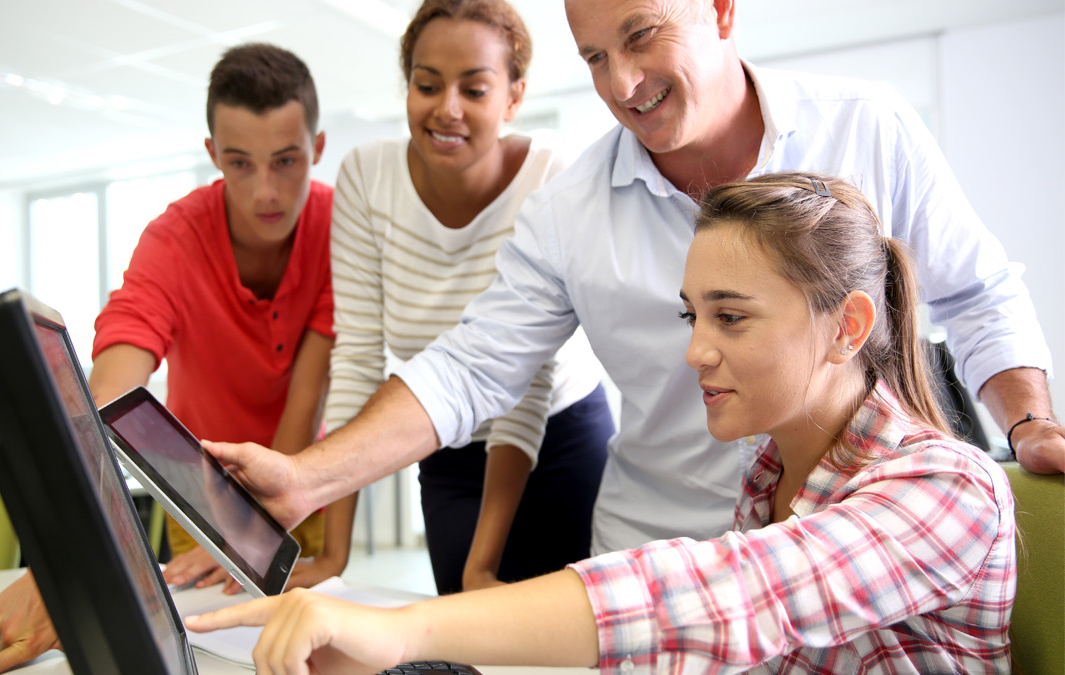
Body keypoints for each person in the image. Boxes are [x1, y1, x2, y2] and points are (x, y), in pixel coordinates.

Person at [200, 0, 1061, 559]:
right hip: (660, 551)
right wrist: (310, 476)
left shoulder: (868, 128)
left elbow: (976, 293)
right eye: (595, 58)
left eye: (642, 37)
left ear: (722, 10)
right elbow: (471, 368)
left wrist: (1028, 423)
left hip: (850, 541)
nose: (621, 85)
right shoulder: (570, 205)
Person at [186, 173, 1017, 674]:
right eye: (692, 315)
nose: (693, 351)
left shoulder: (945, 486)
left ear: (848, 325)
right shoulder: (774, 472)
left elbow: (725, 596)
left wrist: (404, 630)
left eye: (730, 318)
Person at [0, 42, 335, 675]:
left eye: (286, 161)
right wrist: (68, 557)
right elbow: (109, 395)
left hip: (298, 491)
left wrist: (257, 525)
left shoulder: (336, 225)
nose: (265, 190)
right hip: (197, 498)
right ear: (212, 155)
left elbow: (309, 396)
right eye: (240, 163)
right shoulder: (174, 238)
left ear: (316, 150)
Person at [289, 0, 613, 596]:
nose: (448, 109)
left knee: (559, 637)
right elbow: (358, 358)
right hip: (444, 435)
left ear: (513, 98)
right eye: (428, 84)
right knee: (464, 628)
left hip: (560, 436)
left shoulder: (549, 180)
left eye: (475, 88)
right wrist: (335, 553)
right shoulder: (366, 177)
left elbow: (526, 380)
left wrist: (482, 565)